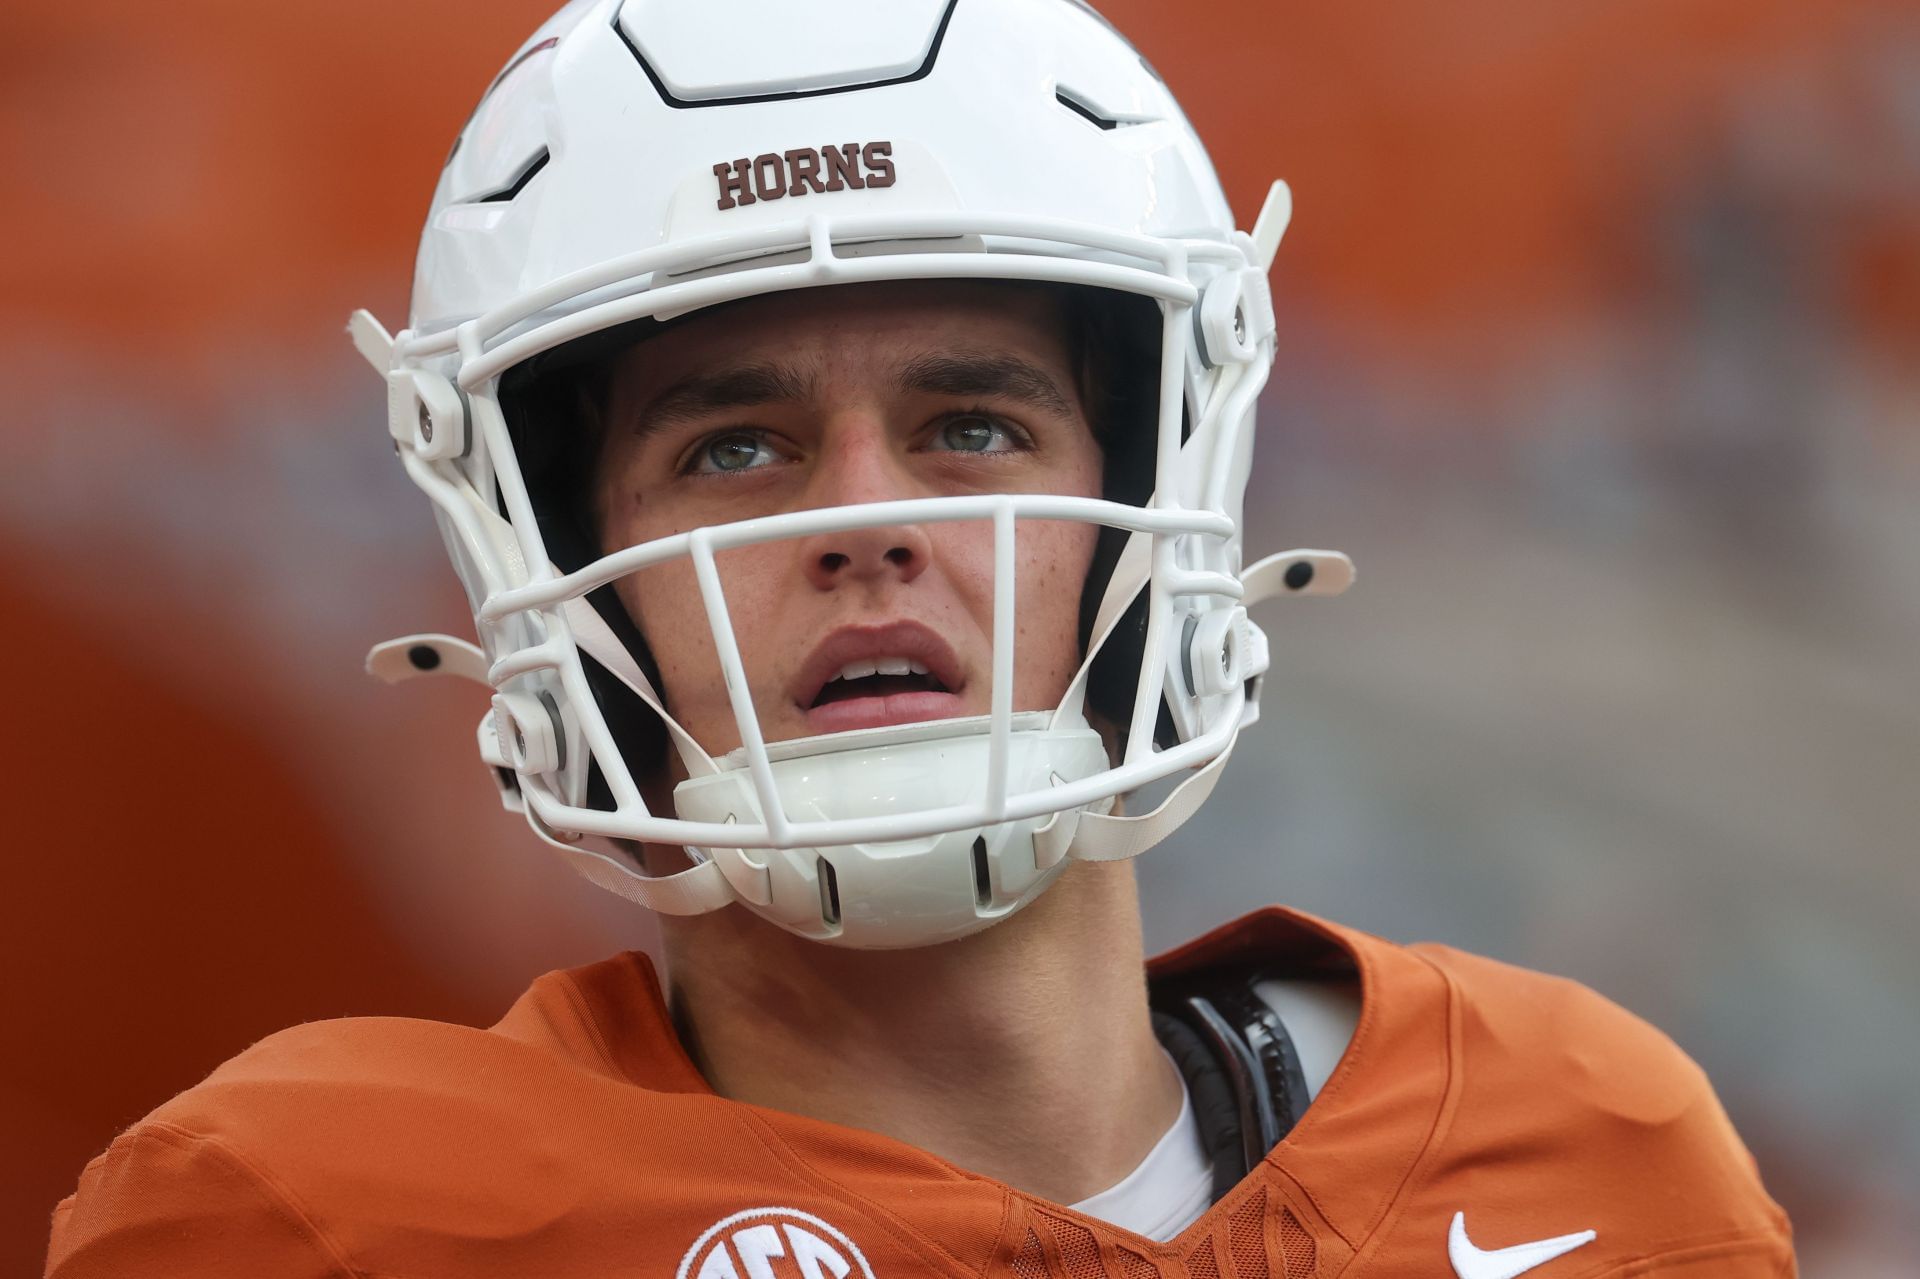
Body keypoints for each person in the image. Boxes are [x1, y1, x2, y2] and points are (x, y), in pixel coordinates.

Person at [45, 1, 1796, 1275]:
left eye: (975, 426)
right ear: (565, 565)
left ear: (1162, 491)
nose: (866, 523)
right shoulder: (327, 1222)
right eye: (735, 449)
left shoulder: (1593, 1145)